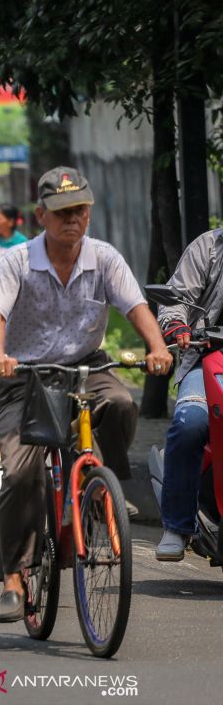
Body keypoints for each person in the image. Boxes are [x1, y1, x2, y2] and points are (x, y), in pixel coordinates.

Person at [0, 166, 171, 622]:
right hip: (26, 376)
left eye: (80, 210)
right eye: (63, 212)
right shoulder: (17, 261)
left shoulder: (104, 258)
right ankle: (13, 575)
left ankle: (102, 482)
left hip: (87, 366)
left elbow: (136, 306)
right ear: (41, 215)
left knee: (123, 402)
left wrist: (157, 346)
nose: (74, 219)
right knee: (20, 473)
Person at [153, 227, 223, 561]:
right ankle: (177, 525)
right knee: (190, 422)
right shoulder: (209, 248)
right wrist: (177, 326)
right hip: (208, 360)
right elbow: (175, 300)